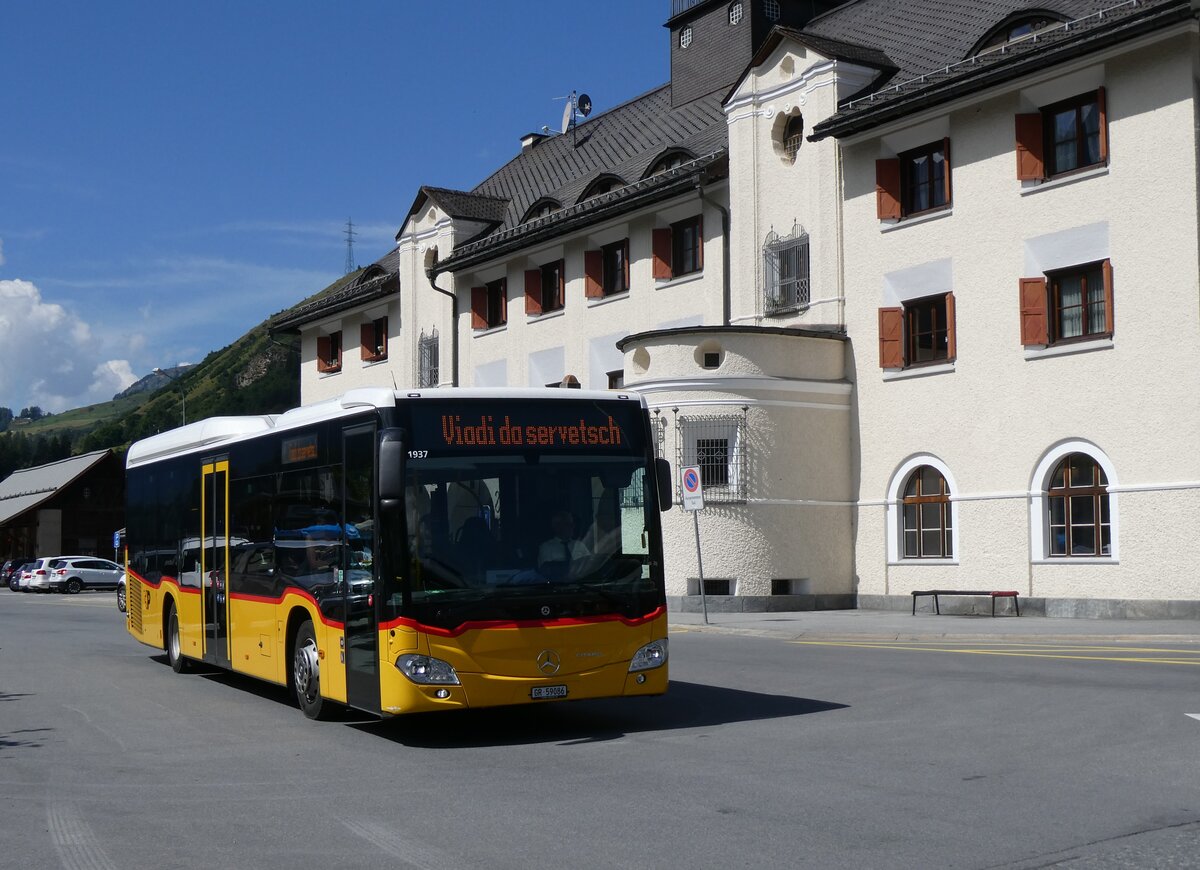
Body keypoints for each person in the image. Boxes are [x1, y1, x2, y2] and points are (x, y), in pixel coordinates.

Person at [537, 509, 589, 580]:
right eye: (568, 524)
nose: (572, 527)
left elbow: (589, 566)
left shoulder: (579, 545)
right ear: (556, 526)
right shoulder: (546, 547)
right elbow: (547, 571)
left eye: (573, 524)